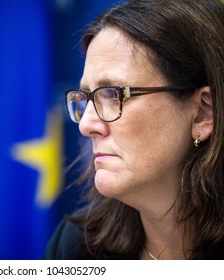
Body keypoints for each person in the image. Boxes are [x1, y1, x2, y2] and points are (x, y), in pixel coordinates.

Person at [44, 0, 224, 260]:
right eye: (85, 97)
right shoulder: (74, 245)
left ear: (203, 113)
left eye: (114, 94)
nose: (86, 126)